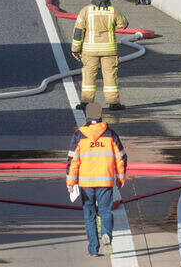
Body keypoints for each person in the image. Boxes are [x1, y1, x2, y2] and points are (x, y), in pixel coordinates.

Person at [66, 103, 127, 258]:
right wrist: (120, 179)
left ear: (86, 116)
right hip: (105, 182)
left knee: (90, 215)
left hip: (86, 184)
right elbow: (121, 158)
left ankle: (93, 248)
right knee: (106, 211)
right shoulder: (110, 134)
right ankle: (106, 234)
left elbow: (73, 161)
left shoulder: (79, 135)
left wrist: (71, 183)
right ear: (101, 116)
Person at [71, 0, 129, 111]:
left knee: (88, 75)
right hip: (109, 51)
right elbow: (123, 24)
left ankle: (86, 103)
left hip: (89, 51)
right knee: (110, 75)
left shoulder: (85, 11)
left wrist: (75, 49)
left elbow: (78, 32)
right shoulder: (113, 10)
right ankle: (113, 103)